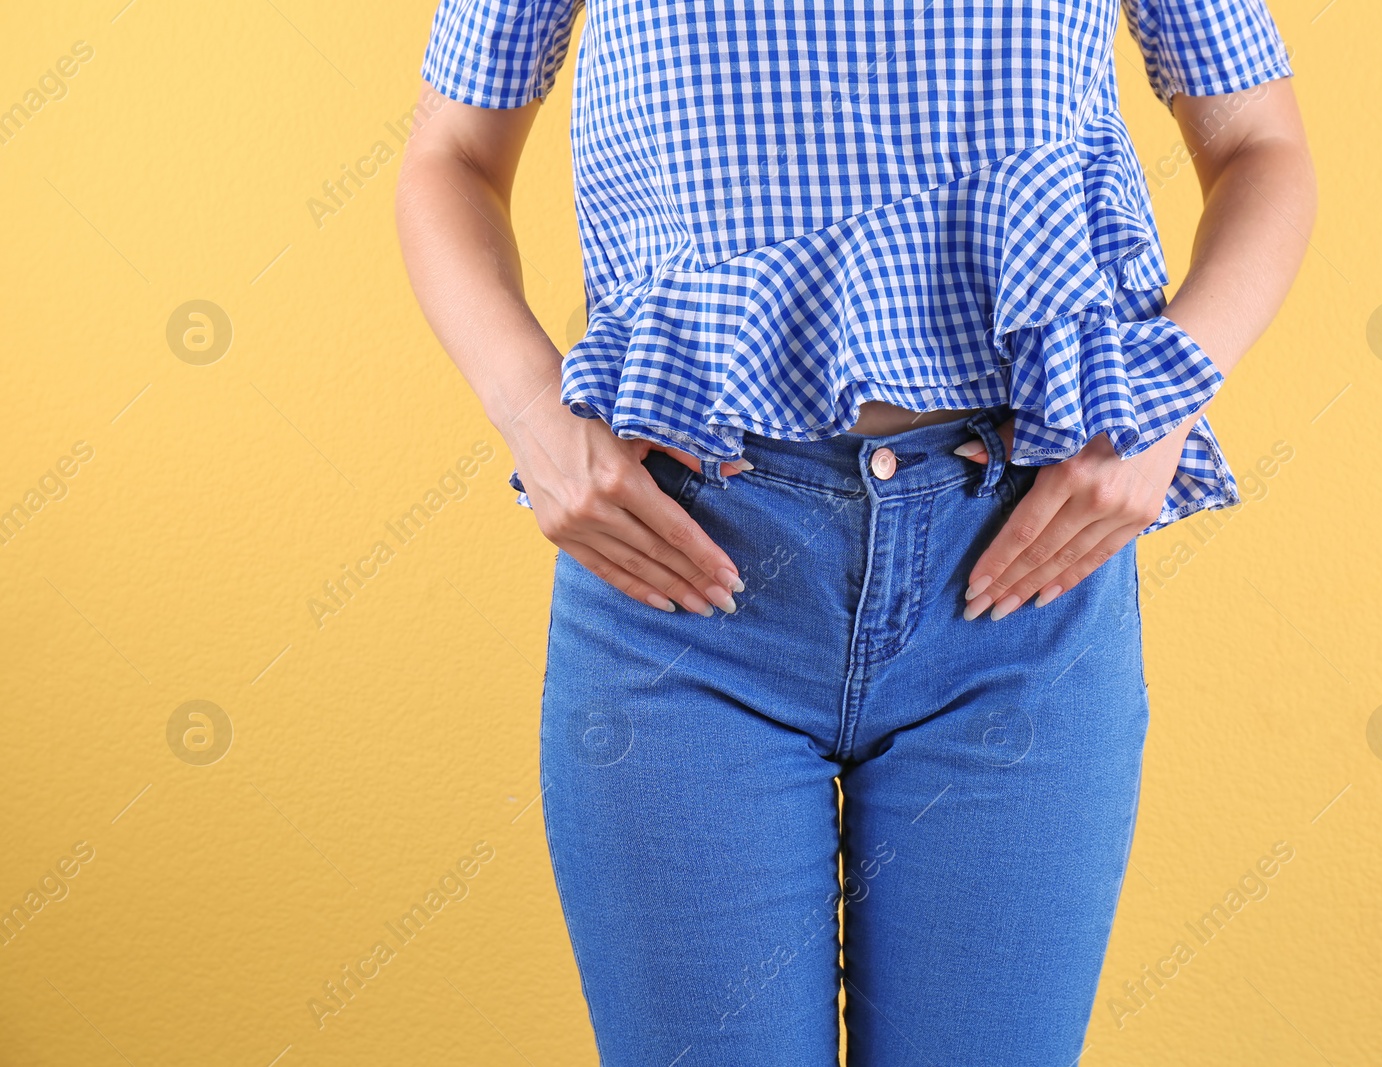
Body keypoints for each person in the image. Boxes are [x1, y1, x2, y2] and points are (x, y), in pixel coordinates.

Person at [395, 0, 1314, 1061]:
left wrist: (1163, 395)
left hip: (1015, 587)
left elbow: (1262, 145)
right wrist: (527, 409)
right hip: (683, 581)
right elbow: (450, 154)